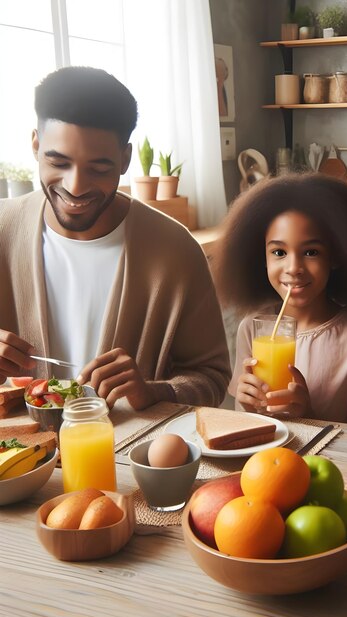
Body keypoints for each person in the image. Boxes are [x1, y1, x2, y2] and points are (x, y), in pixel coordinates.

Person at [0, 66, 231, 410]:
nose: (75, 186)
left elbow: (211, 378)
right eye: (58, 162)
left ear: (124, 159)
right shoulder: (3, 230)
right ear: (35, 145)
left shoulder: (175, 250)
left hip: (126, 459)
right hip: (21, 460)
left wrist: (154, 391)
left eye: (98, 168)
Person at [211, 173, 347, 426]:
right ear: (262, 257)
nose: (294, 268)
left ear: (335, 257)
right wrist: (246, 403)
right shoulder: (253, 328)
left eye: (311, 252)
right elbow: (247, 423)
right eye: (279, 252)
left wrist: (308, 415)